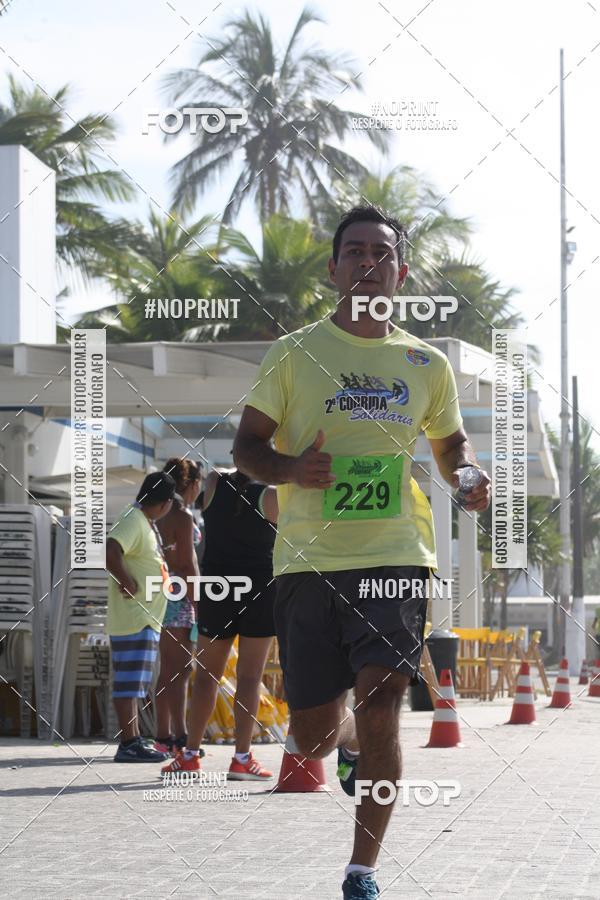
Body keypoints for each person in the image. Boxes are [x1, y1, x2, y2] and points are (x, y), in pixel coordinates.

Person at [232, 205, 491, 898]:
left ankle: (361, 870)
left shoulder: (424, 363)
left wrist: (466, 475)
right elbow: (246, 448)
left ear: (400, 272)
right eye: (354, 251)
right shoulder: (293, 354)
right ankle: (341, 743)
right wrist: (290, 472)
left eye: (381, 252)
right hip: (308, 563)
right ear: (334, 268)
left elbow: (451, 446)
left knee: (384, 700)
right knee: (312, 739)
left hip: (395, 554)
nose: (368, 261)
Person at [162, 466, 279, 780]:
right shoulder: (274, 495)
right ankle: (241, 758)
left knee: (206, 677)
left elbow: (220, 475)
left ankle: (189, 755)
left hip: (217, 590)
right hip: (259, 590)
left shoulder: (213, 482)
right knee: (250, 678)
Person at [106, 471, 176, 762]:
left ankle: (133, 739)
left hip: (144, 619)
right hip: (135, 617)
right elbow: (111, 550)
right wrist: (126, 580)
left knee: (134, 684)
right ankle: (128, 742)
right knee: (129, 683)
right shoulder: (132, 520)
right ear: (165, 503)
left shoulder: (142, 521)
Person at [153, 458, 203, 754]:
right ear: (191, 484)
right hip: (179, 596)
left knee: (167, 668)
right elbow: (187, 564)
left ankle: (163, 734)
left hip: (156, 594)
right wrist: (198, 600)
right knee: (182, 668)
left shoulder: (155, 511)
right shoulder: (181, 516)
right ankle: (178, 735)